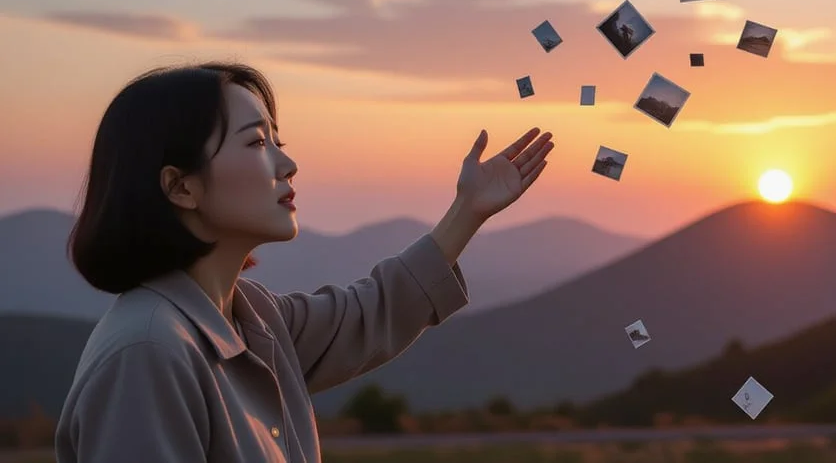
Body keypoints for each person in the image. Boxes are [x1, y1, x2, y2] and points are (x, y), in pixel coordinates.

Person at [54, 62, 555, 462]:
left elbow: (372, 312)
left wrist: (467, 211)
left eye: (278, 142)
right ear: (181, 186)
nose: (287, 164)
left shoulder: (253, 317)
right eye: (255, 142)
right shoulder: (148, 353)